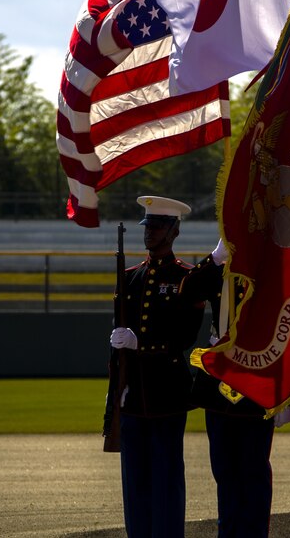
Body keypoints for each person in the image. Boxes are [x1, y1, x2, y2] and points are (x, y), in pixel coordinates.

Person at [107, 195, 226, 538]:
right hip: (132, 396)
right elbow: (120, 340)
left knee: (166, 480)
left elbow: (184, 336)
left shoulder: (186, 278)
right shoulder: (130, 277)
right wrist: (117, 383)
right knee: (135, 485)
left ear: (174, 231)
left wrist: (140, 344)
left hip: (165, 394)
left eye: (159, 227)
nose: (151, 233)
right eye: (148, 226)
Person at [190, 261, 290, 538]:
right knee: (224, 470)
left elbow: (289, 332)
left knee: (254, 471)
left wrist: (287, 396)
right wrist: (213, 258)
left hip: (258, 379)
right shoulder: (219, 273)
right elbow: (188, 291)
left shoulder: (274, 275)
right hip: (219, 381)